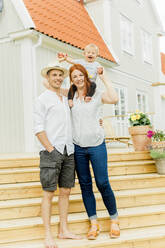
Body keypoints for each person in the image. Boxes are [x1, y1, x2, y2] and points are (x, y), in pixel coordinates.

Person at [69, 64, 120, 240]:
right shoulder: (71, 97)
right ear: (72, 80)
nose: (78, 79)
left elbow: (114, 98)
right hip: (78, 147)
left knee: (102, 182)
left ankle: (114, 220)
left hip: (97, 144)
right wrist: (61, 63)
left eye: (80, 75)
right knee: (85, 185)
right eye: (74, 76)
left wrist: (104, 77)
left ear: (85, 76)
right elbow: (47, 83)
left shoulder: (96, 93)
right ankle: (94, 223)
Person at [33, 62, 81, 248]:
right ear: (48, 78)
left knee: (66, 191)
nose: (58, 78)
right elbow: (38, 128)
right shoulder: (42, 99)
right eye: (54, 75)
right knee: (48, 193)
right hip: (51, 151)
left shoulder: (65, 99)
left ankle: (64, 230)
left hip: (69, 150)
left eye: (60, 75)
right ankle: (47, 234)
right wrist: (51, 149)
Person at [57, 43, 103, 108]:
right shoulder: (81, 62)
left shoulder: (97, 64)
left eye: (93, 53)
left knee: (94, 85)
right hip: (81, 81)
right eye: (88, 52)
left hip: (89, 83)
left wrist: (100, 71)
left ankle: (88, 96)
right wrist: (66, 58)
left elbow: (101, 71)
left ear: (96, 56)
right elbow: (72, 61)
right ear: (84, 54)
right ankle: (70, 99)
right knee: (72, 87)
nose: (90, 54)